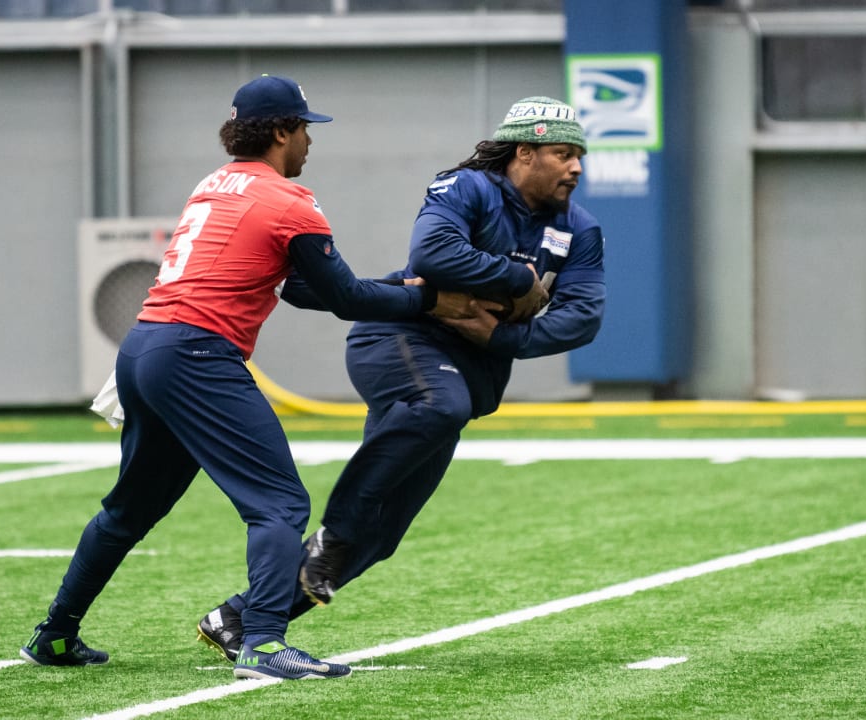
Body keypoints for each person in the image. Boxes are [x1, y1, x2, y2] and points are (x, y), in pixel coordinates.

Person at [21, 75, 473, 680]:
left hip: (144, 346)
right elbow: (340, 297)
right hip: (197, 356)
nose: (310, 140)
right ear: (282, 130)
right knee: (281, 504)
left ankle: (54, 633)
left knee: (129, 510)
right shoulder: (293, 201)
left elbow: (302, 289)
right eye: (305, 127)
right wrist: (427, 301)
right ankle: (262, 642)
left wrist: (393, 291)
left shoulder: (213, 185)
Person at [196, 96, 605, 660]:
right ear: (524, 152)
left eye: (580, 155)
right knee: (440, 408)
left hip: (470, 364)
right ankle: (336, 526)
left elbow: (584, 315)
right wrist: (517, 278)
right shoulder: (466, 188)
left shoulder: (579, 228)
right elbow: (433, 255)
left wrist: (501, 338)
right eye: (564, 154)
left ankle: (237, 617)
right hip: (401, 339)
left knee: (381, 536)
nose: (577, 168)